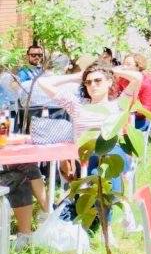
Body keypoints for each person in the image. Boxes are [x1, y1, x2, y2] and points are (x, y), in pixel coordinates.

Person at [38, 61, 142, 197]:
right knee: (93, 166)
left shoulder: (119, 104)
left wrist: (109, 70)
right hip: (86, 156)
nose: (92, 85)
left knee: (107, 159)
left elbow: (138, 78)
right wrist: (77, 76)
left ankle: (109, 203)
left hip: (110, 154)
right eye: (88, 82)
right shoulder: (76, 105)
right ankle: (102, 205)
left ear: (109, 82)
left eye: (98, 81)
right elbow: (42, 82)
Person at [122, 53, 151, 128]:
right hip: (122, 115)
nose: (124, 67)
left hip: (140, 119)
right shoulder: (122, 79)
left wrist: (130, 110)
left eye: (128, 64)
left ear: (138, 67)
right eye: (124, 64)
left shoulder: (147, 83)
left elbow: (146, 109)